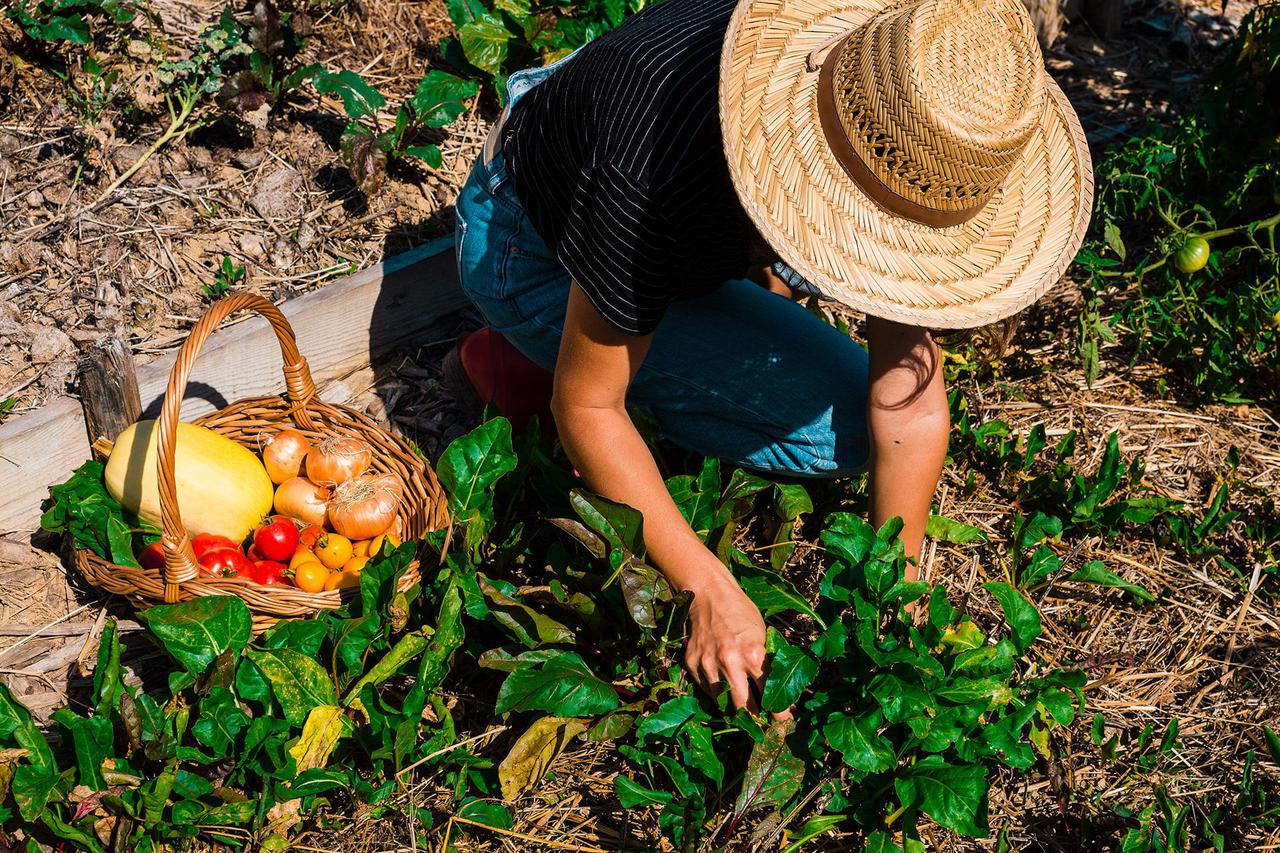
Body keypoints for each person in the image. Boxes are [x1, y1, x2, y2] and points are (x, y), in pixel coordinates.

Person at [448, 0, 1093, 712]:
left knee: (851, 419)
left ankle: (620, 334)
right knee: (815, 431)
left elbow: (907, 406)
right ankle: (520, 359)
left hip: (617, 151)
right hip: (528, 240)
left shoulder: (897, 103)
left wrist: (894, 595)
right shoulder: (650, 171)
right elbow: (589, 406)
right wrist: (708, 585)